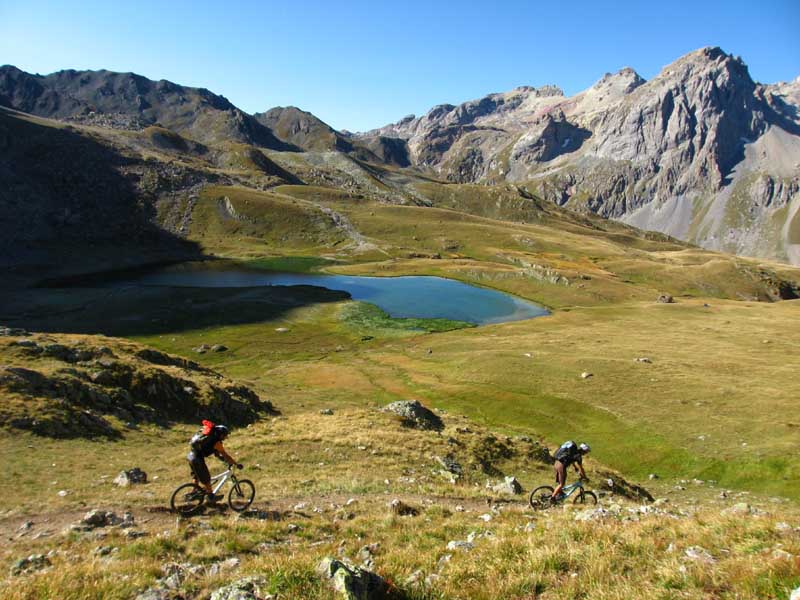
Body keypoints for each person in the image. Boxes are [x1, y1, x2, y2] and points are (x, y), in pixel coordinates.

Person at [187, 420, 242, 502]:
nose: (225, 438)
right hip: (197, 460)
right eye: (224, 436)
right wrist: (236, 464)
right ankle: (210, 497)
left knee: (196, 476)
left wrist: (224, 460)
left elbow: (218, 455)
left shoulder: (209, 438)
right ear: (220, 435)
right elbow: (225, 455)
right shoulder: (216, 442)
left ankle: (194, 492)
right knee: (207, 479)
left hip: (191, 456)